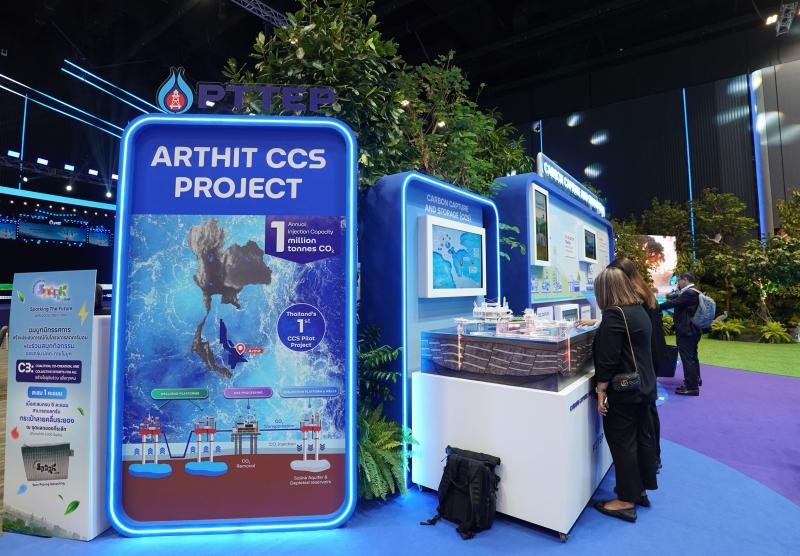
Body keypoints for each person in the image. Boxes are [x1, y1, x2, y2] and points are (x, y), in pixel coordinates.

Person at [592, 267, 658, 523]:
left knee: (623, 444)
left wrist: (601, 391)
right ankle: (639, 490)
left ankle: (625, 501)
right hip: (644, 386)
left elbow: (608, 360)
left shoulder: (614, 314)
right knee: (640, 440)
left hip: (625, 391)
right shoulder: (638, 309)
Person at [609, 257, 665, 471]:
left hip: (641, 362)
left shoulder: (634, 298)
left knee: (645, 415)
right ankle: (653, 458)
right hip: (651, 358)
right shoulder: (645, 293)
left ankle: (651, 460)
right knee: (649, 411)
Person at [659, 271, 701, 396]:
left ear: (685, 280)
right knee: (692, 357)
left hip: (687, 331)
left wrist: (656, 306)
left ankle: (691, 387)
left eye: (679, 280)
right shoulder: (695, 291)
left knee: (687, 358)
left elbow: (673, 303)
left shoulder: (689, 293)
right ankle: (694, 380)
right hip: (692, 330)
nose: (678, 283)